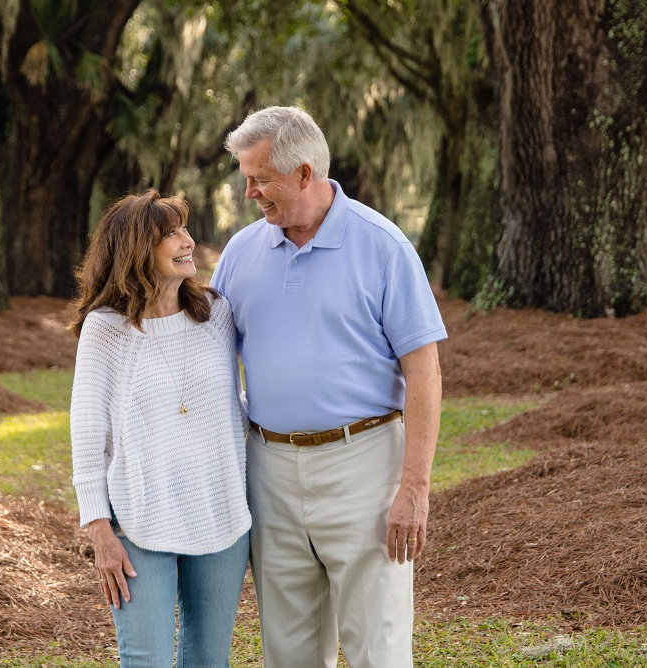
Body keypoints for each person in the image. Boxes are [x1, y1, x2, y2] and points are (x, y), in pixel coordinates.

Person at [210, 106, 447, 667]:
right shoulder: (241, 254)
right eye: (245, 178)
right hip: (269, 470)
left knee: (378, 649)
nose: (249, 194)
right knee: (288, 652)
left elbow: (424, 371)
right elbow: (207, 359)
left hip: (364, 466)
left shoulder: (382, 246)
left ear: (305, 173)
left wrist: (414, 488)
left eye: (259, 179)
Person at [69, 190, 251, 667]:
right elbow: (89, 436)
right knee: (145, 660)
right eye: (170, 233)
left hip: (221, 516)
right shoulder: (105, 329)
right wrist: (99, 531)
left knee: (209, 661)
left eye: (184, 228)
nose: (187, 240)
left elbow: (239, 404)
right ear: (135, 249)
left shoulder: (217, 314)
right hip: (138, 518)